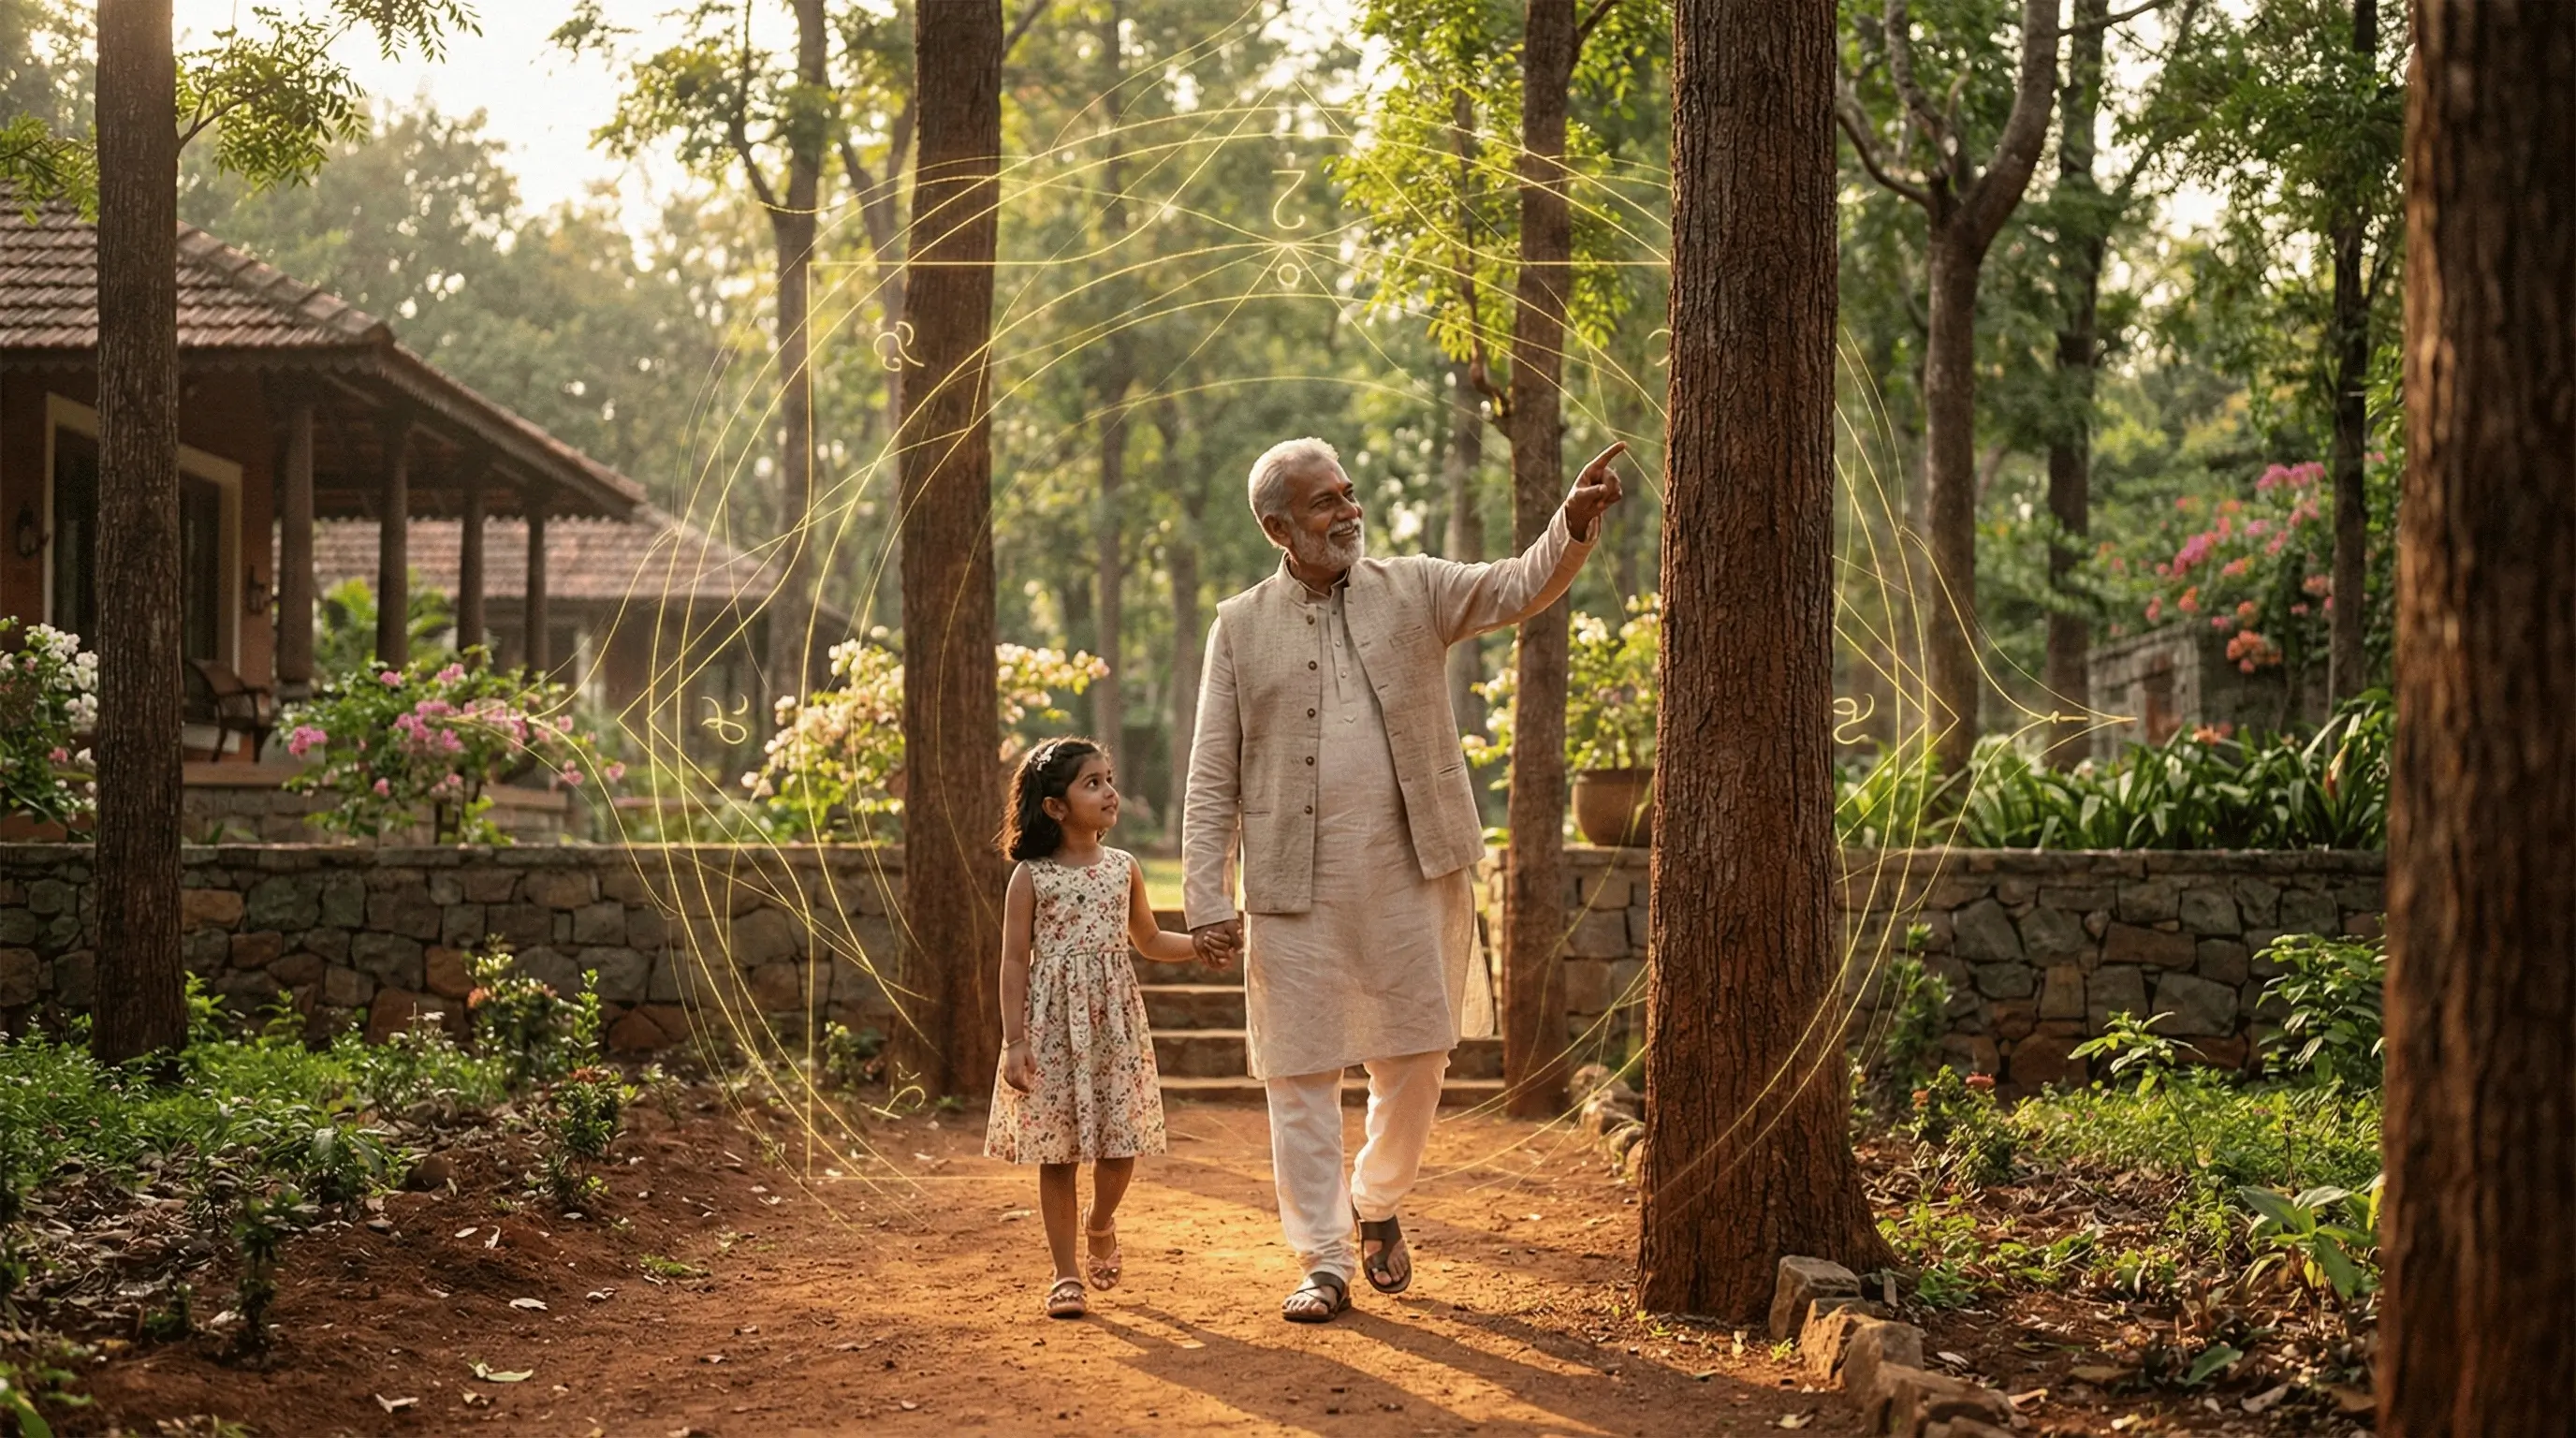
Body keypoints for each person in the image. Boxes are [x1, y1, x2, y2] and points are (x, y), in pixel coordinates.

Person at [1182, 434, 1624, 1322]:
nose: (1347, 510)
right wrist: (1204, 897)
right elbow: (1210, 771)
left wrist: (1568, 526)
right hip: (1290, 884)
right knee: (1299, 1077)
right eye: (1323, 502)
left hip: (1411, 870)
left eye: (1348, 493)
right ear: (1278, 527)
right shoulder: (1238, 625)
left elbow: (1513, 585)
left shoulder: (1414, 587)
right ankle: (1323, 1259)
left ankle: (1376, 1198)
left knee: (1418, 1056)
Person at [986, 737, 1208, 1319]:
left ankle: (1100, 1221)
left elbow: (1152, 941)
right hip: (1051, 1027)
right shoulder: (1030, 878)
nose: (1110, 792)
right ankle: (1064, 1274)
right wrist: (1014, 1041)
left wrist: (1203, 947)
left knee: (1120, 1144)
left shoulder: (1123, 869)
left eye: (1109, 779)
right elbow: (1014, 959)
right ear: (1056, 806)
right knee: (1055, 1154)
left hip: (1114, 1028)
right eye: (1093, 783)